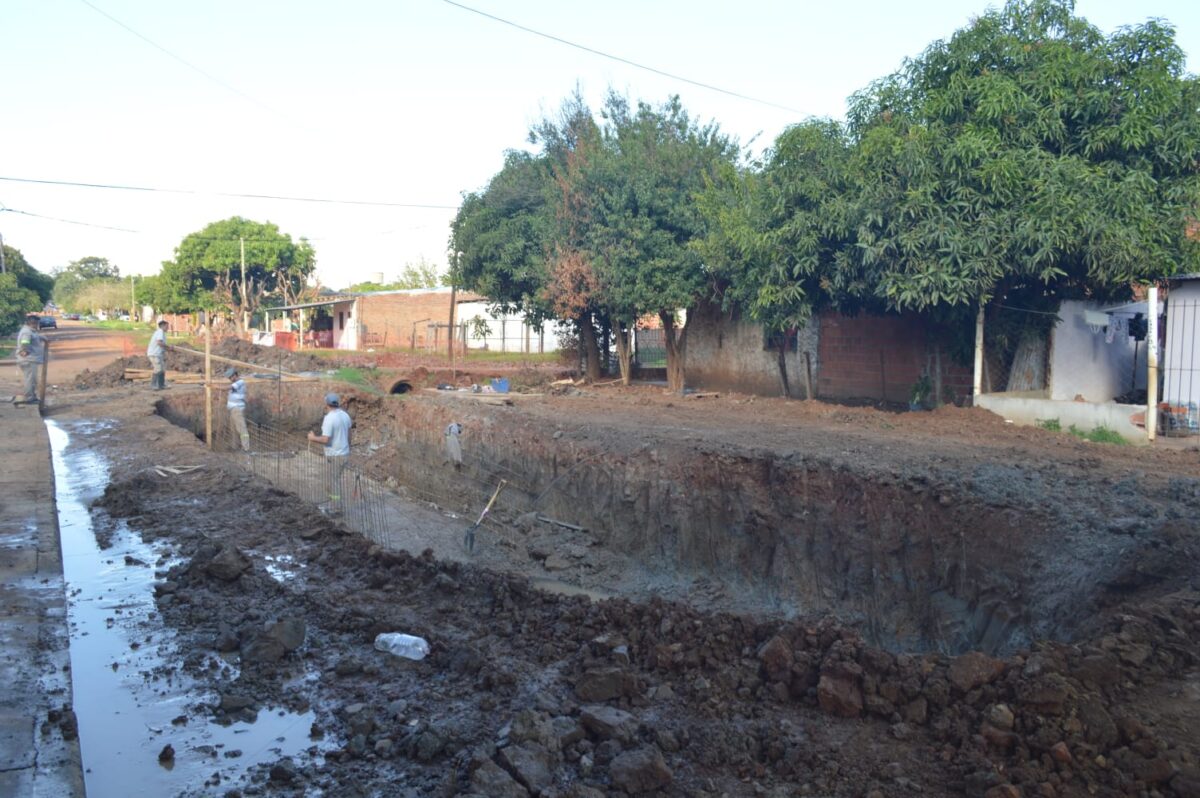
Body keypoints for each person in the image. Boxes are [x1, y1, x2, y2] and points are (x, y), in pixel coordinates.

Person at [307, 392, 352, 513]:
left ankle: (336, 508)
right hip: (344, 453)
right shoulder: (345, 415)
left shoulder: (329, 418)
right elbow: (349, 435)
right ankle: (333, 503)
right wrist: (348, 448)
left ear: (327, 404)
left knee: (333, 482)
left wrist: (312, 438)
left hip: (335, 455)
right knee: (331, 481)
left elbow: (325, 439)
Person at [14, 314, 45, 405]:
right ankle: (29, 398)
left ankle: (32, 396)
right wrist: (24, 350)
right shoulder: (27, 332)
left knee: (32, 379)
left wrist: (41, 337)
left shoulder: (31, 331)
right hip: (28, 360)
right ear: (33, 323)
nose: (37, 324)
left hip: (31, 360)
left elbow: (34, 337)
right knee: (30, 380)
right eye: (36, 322)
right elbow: (25, 342)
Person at [224, 367, 250, 451]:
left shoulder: (240, 382)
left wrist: (213, 386)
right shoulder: (235, 383)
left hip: (237, 410)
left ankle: (246, 448)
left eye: (231, 377)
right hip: (233, 410)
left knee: (242, 429)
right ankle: (235, 446)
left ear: (235, 375)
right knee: (233, 429)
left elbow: (228, 388)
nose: (230, 379)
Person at [146, 320, 170, 390]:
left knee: (162, 369)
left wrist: (167, 349)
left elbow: (161, 344)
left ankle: (161, 385)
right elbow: (159, 343)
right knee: (158, 369)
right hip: (154, 354)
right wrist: (168, 347)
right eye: (167, 326)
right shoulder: (160, 332)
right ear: (163, 326)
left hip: (158, 354)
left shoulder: (161, 333)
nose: (168, 328)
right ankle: (153, 385)